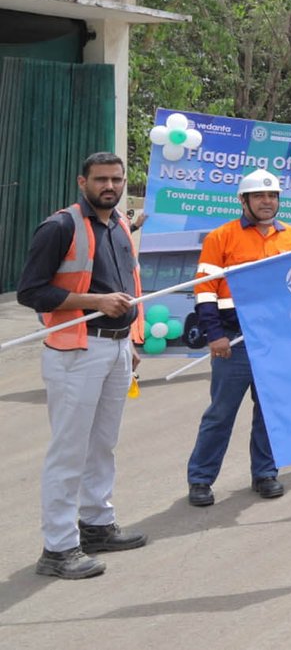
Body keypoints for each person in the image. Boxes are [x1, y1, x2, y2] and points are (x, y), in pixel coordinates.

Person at [16, 152, 148, 579]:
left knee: (102, 445)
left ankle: (96, 525)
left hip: (115, 347)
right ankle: (57, 548)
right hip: (76, 351)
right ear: (82, 182)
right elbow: (31, 292)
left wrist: (131, 339)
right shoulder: (60, 227)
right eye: (101, 179)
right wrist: (96, 303)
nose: (109, 186)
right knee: (69, 452)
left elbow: (127, 283)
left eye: (116, 179)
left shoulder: (120, 225)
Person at [186, 168, 291, 507]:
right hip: (233, 343)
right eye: (260, 196)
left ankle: (265, 473)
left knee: (268, 412)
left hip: (276, 342)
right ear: (243, 200)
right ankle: (200, 480)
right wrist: (215, 335)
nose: (267, 202)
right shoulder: (220, 237)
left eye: (272, 196)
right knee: (220, 414)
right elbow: (205, 291)